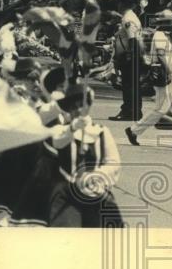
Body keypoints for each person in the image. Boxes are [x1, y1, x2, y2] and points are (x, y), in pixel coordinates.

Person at [47, 83, 123, 227]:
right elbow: (57, 142)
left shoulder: (101, 131)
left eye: (81, 105)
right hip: (65, 192)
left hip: (94, 189)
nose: (77, 109)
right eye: (72, 106)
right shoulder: (60, 130)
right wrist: (72, 128)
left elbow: (113, 163)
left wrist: (97, 175)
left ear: (88, 106)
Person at [125, 10, 172, 150]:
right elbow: (160, 54)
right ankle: (134, 131)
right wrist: (169, 71)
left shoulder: (163, 35)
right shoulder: (159, 35)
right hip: (165, 76)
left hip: (170, 76)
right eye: (170, 21)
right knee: (160, 109)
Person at [110, 0, 144, 121]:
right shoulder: (128, 16)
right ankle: (132, 111)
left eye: (120, 1)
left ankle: (130, 111)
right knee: (130, 85)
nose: (118, 4)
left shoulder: (128, 19)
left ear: (124, 3)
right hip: (129, 55)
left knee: (130, 86)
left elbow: (133, 40)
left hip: (130, 56)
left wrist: (130, 57)